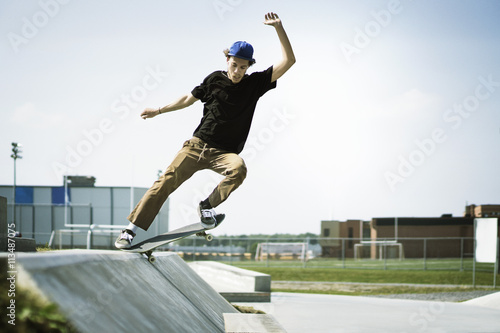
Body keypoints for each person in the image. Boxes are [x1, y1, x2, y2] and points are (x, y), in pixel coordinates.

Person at [115, 12, 295, 249]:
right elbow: (187, 99)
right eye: (234, 65)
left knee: (238, 168)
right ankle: (130, 231)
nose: (238, 71)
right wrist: (158, 110)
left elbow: (289, 61)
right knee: (165, 182)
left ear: (249, 66)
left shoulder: (256, 84)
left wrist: (278, 28)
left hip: (224, 154)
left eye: (243, 67)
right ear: (227, 59)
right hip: (197, 146)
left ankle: (207, 206)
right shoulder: (213, 79)